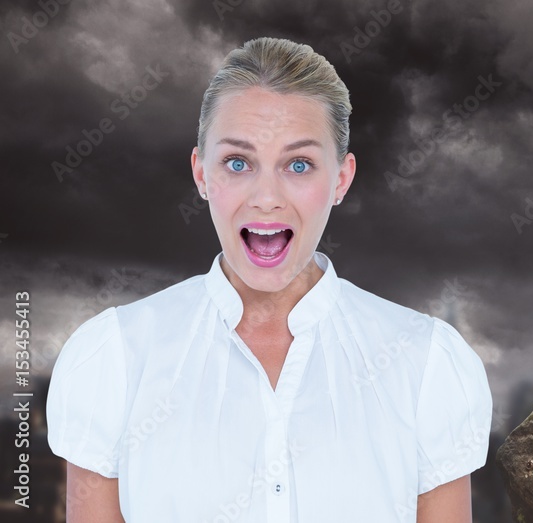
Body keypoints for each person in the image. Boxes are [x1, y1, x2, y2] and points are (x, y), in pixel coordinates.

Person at [46, 36, 493, 523]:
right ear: (200, 174)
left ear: (341, 179)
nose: (266, 197)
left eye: (298, 164)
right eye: (238, 163)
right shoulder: (114, 357)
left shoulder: (426, 364)